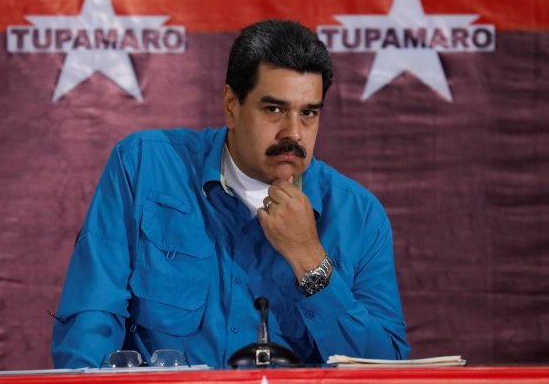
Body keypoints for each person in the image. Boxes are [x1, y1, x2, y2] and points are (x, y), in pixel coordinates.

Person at [51, 19, 410, 368]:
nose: (294, 133)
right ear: (231, 106)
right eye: (274, 109)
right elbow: (90, 324)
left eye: (309, 113)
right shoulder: (144, 167)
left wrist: (310, 260)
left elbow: (384, 369)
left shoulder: (359, 216)